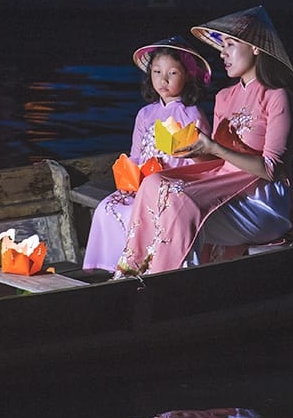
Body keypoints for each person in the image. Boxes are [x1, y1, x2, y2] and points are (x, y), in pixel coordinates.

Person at [115, 6, 293, 276]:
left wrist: (213, 146)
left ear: (256, 48)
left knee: (179, 201)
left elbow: (273, 169)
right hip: (221, 183)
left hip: (261, 199)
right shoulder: (225, 97)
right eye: (222, 45)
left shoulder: (276, 97)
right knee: (154, 183)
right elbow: (214, 161)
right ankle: (132, 271)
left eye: (230, 44)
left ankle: (168, 281)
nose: (222, 52)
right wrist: (194, 151)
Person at [82, 36, 212, 272]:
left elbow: (202, 162)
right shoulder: (145, 114)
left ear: (187, 75)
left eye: (172, 73)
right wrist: (127, 177)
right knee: (108, 207)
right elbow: (136, 155)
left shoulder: (192, 114)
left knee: (141, 213)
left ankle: (147, 267)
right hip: (142, 183)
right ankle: (113, 267)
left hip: (174, 186)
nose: (163, 80)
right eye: (156, 71)